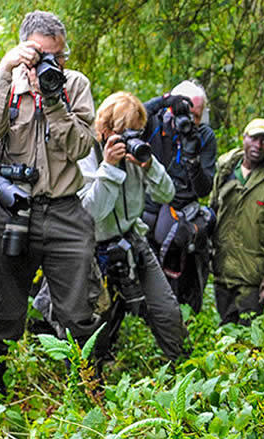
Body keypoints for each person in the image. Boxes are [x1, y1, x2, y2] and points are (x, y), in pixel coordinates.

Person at [0, 11, 99, 394]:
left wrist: (54, 101)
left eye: (60, 56)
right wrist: (6, 69)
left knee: (79, 309)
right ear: (24, 49)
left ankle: (86, 386)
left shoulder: (74, 85)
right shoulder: (1, 82)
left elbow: (80, 146)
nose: (54, 64)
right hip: (14, 208)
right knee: (4, 308)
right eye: (44, 55)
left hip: (64, 208)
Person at [78, 91, 185, 371]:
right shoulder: (85, 152)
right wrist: (110, 167)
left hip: (131, 240)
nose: (132, 140)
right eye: (126, 133)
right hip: (94, 250)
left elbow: (167, 194)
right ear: (105, 130)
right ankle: (91, 378)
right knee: (96, 320)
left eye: (137, 132)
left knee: (166, 310)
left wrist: (150, 166)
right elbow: (91, 213)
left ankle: (184, 367)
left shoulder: (137, 153)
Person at [140, 80, 218, 313]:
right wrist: (162, 102)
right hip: (148, 206)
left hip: (182, 212)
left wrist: (193, 160)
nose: (190, 121)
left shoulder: (203, 135)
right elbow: (123, 121)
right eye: (186, 113)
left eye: (197, 115)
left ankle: (181, 311)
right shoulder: (154, 123)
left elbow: (204, 189)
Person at [210, 118, 264, 325]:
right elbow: (212, 210)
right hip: (222, 271)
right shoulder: (225, 172)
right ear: (244, 138)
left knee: (248, 338)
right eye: (254, 138)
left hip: (252, 277)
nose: (258, 145)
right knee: (226, 332)